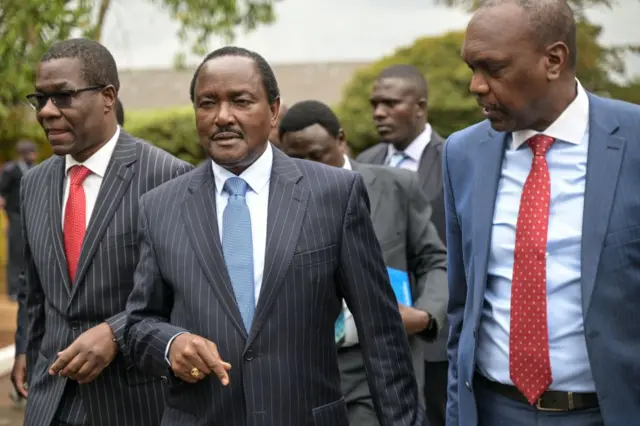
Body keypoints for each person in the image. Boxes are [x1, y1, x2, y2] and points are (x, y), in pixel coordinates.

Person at [124, 46, 425, 426]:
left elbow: (381, 333)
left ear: (274, 110)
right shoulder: (160, 207)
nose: (222, 116)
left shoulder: (334, 194)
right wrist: (170, 344)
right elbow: (138, 325)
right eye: (207, 103)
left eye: (241, 101)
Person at [444, 1, 640, 425]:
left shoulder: (634, 142)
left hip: (608, 411)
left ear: (553, 60)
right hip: (495, 409)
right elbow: (461, 306)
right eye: (471, 69)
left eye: (493, 69)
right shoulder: (462, 154)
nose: (476, 86)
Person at [17, 38, 192, 426]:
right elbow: (34, 286)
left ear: (108, 97)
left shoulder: (167, 177)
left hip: (133, 400)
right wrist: (25, 351)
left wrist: (115, 333)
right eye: (40, 99)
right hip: (51, 399)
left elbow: (185, 292)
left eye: (62, 97)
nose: (46, 111)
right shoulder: (34, 183)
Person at [278, 99, 448, 426]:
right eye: (296, 160)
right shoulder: (277, 203)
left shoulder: (395, 186)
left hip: (378, 361)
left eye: (317, 155)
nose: (309, 167)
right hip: (307, 367)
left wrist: (426, 314)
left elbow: (434, 259)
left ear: (341, 140)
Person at [357, 63, 449, 426]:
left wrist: (430, 312)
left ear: (421, 108)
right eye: (375, 103)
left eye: (391, 103)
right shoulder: (364, 163)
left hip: (439, 335)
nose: (379, 112)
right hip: (384, 342)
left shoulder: (454, 160)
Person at [0, 140, 37, 301]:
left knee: (29, 252)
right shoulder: (11, 170)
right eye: (31, 153)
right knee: (15, 252)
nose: (34, 156)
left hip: (31, 215)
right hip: (15, 215)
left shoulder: (35, 170)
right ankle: (13, 290)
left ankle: (27, 287)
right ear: (23, 154)